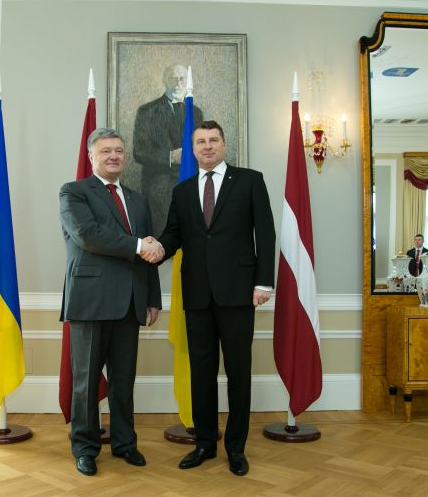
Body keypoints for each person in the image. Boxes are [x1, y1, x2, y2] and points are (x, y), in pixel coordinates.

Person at [149, 120, 276, 476]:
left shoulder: (250, 181)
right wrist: (156, 248)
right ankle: (205, 443)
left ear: (223, 145)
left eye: (213, 140)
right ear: (192, 149)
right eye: (201, 141)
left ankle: (236, 448)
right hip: (197, 296)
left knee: (238, 373)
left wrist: (264, 283)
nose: (207, 146)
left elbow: (265, 233)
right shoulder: (183, 191)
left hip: (239, 293)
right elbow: (173, 235)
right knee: (201, 374)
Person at [59, 128, 163, 476]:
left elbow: (148, 253)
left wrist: (152, 298)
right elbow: (88, 235)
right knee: (86, 382)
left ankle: (125, 443)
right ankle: (85, 448)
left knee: (124, 380)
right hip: (90, 301)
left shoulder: (137, 199)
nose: (114, 156)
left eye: (118, 150)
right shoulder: (74, 192)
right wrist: (139, 245)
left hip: (131, 302)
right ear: (92, 156)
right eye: (105, 151)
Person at [133, 64, 204, 236]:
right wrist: (170, 157)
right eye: (173, 78)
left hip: (192, 183)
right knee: (166, 237)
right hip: (160, 186)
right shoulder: (147, 111)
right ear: (165, 81)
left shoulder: (196, 112)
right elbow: (139, 152)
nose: (178, 83)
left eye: (182, 79)